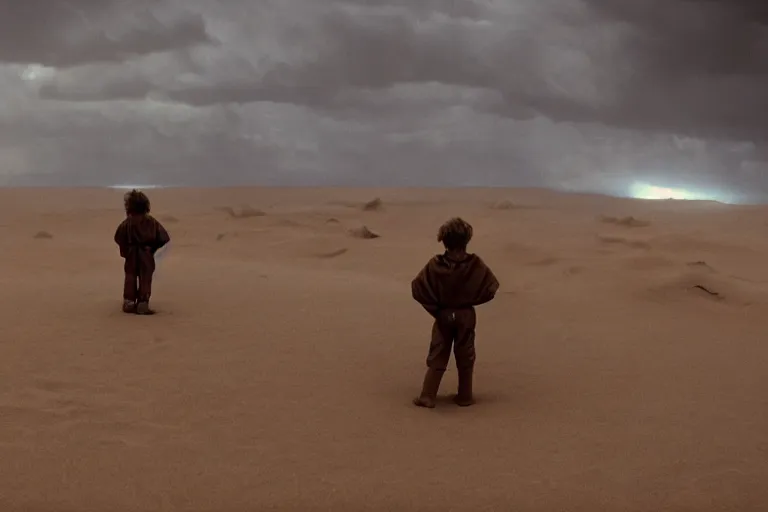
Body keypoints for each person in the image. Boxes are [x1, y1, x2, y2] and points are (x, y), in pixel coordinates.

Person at [410, 217, 499, 408]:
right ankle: (465, 396)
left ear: (444, 240)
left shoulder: (435, 265)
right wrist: (472, 300)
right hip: (466, 315)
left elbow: (417, 288)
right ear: (467, 239)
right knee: (465, 354)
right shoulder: (475, 264)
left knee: (438, 352)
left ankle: (427, 396)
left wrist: (435, 309)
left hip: (444, 315)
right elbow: (492, 287)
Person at [114, 189, 171, 315]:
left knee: (130, 276)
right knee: (145, 278)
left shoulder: (126, 223)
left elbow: (118, 237)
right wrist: (152, 248)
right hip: (145, 254)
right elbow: (164, 237)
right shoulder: (151, 223)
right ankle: (142, 303)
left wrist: (126, 249)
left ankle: (129, 302)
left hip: (132, 255)